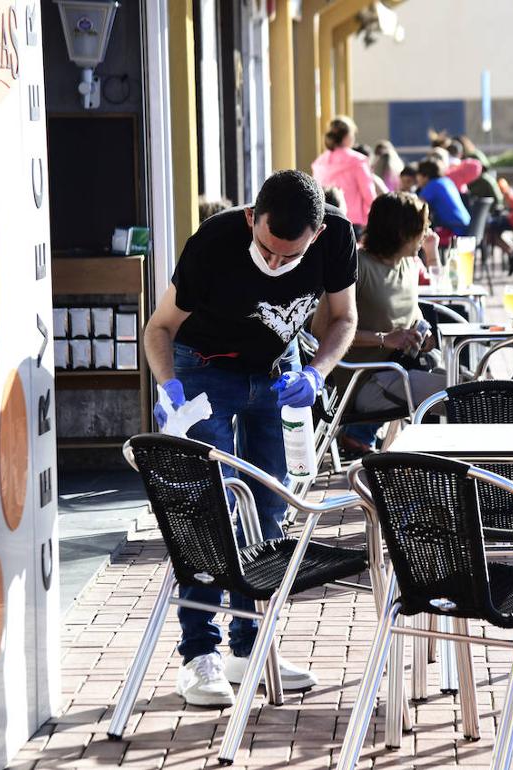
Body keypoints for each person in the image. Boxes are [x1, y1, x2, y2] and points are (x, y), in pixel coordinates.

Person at [143, 170, 358, 706]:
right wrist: (169, 386)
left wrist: (317, 373)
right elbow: (159, 328)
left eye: (291, 256)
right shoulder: (214, 242)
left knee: (267, 509)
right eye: (266, 250)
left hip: (279, 374)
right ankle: (199, 655)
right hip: (204, 370)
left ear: (317, 233)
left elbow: (344, 318)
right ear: (250, 220)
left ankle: (250, 645)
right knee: (207, 508)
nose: (276, 264)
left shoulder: (336, 236)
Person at [318, 192, 447, 454]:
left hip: (400, 369)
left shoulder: (409, 264)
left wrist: (423, 334)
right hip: (363, 380)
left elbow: (412, 314)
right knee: (461, 395)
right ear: (401, 232)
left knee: (472, 384)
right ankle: (443, 464)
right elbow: (320, 330)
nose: (427, 233)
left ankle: (439, 463)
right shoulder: (357, 265)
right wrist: (384, 339)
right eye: (422, 227)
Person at [312, 115, 380, 229]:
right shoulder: (357, 161)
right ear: (347, 136)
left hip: (324, 220)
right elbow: (369, 194)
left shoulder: (319, 162)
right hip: (352, 221)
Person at [415, 157, 471, 238]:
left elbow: (416, 207)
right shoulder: (446, 181)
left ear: (425, 176)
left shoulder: (432, 186)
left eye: (417, 175)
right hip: (465, 227)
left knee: (422, 238)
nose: (416, 179)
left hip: (453, 231)